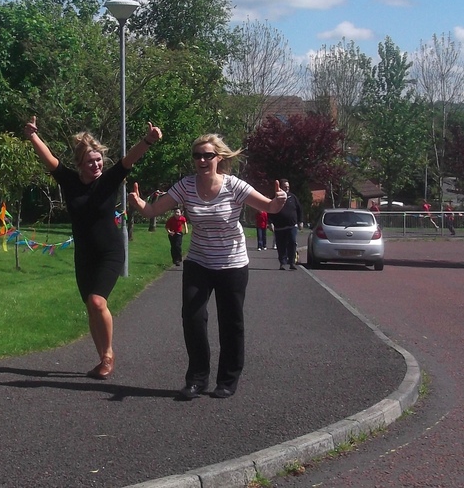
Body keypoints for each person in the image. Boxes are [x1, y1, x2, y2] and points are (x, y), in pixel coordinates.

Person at [128, 134, 287, 400]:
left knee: (230, 322)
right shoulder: (186, 186)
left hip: (232, 264)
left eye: (207, 155)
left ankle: (227, 380)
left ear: (219, 159)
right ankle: (197, 379)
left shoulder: (234, 186)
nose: (202, 160)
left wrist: (278, 201)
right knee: (192, 318)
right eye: (197, 155)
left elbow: (269, 206)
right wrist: (138, 203)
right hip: (199, 262)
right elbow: (153, 211)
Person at [24, 116, 162, 380]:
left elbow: (128, 160)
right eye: (91, 161)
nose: (97, 165)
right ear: (80, 165)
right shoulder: (69, 181)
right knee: (90, 306)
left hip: (110, 251)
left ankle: (108, 355)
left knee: (98, 302)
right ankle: (101, 358)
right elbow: (49, 159)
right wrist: (32, 136)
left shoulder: (109, 180)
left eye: (99, 160)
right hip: (84, 255)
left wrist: (148, 140)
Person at [268, 179, 303, 270]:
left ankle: (292, 262)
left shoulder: (293, 197)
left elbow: (299, 210)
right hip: (279, 227)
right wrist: (270, 223)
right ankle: (282, 263)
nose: (287, 188)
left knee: (292, 242)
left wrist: (300, 221)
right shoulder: (275, 198)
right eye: (285, 186)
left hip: (292, 226)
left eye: (288, 186)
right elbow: (270, 211)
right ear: (280, 187)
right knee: (281, 245)